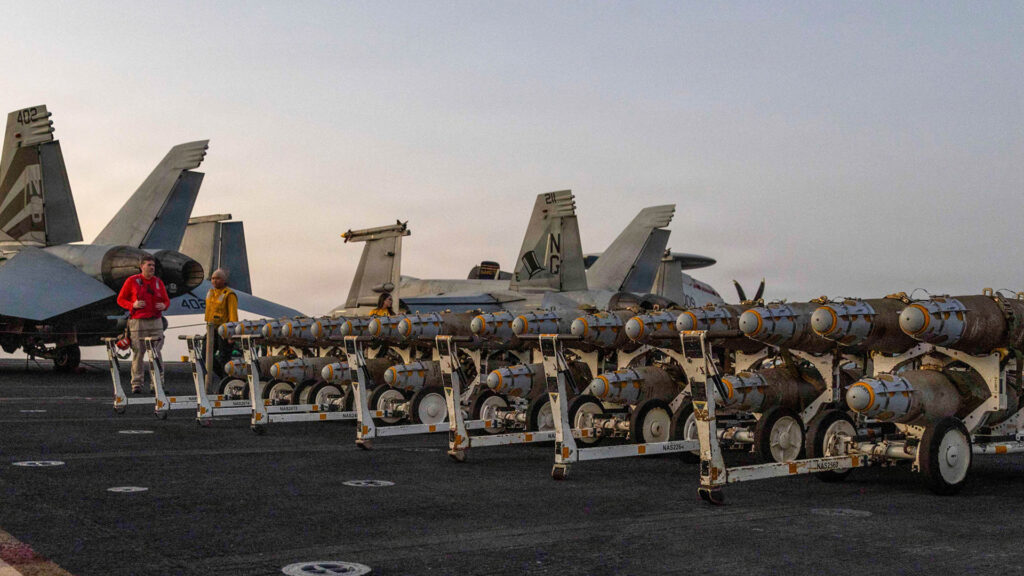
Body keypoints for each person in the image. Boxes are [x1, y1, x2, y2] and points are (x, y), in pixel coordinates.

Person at [116, 255, 170, 394]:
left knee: (156, 352)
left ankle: (157, 383)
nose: (152, 267)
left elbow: (166, 300)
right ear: (142, 266)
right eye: (149, 265)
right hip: (138, 322)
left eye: (153, 265)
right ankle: (137, 383)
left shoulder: (158, 282)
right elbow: (120, 299)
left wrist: (164, 306)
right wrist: (132, 305)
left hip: (156, 321)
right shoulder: (132, 281)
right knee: (138, 353)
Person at [204, 268, 239, 379]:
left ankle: (226, 379)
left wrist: (231, 334)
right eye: (213, 278)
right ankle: (224, 377)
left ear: (224, 280)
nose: (214, 281)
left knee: (224, 357)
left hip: (224, 330)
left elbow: (233, 315)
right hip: (211, 329)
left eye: (218, 278)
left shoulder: (229, 294)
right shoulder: (210, 293)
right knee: (205, 355)